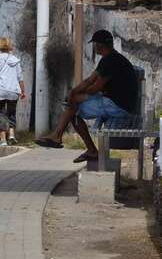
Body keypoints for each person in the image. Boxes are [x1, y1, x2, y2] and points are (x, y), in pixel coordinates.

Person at [36, 30, 137, 163]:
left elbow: (95, 88)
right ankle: (60, 136)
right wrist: (74, 92)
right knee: (73, 103)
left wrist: (77, 94)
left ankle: (63, 138)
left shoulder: (110, 61)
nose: (94, 47)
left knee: (73, 108)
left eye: (94, 44)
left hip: (118, 106)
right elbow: (89, 80)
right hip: (116, 102)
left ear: (99, 45)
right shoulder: (111, 58)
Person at [0, 37, 26, 146]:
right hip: (13, 90)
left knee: (1, 113)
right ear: (9, 46)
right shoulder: (15, 60)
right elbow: (20, 77)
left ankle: (3, 140)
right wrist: (22, 91)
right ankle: (12, 135)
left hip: (0, 90)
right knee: (11, 112)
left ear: (0, 46)